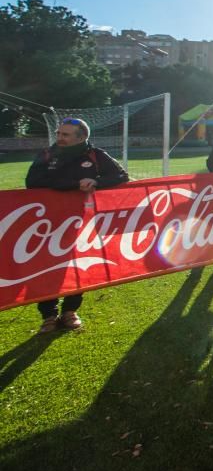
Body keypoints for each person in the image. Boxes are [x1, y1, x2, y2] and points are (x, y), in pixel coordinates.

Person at [25, 118, 129, 333]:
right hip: (47, 222)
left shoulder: (95, 155)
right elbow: (32, 182)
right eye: (59, 133)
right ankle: (49, 315)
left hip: (81, 222)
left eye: (65, 135)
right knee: (48, 267)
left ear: (81, 137)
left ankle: (70, 311)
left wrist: (97, 182)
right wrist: (74, 185)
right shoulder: (47, 154)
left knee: (77, 266)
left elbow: (121, 175)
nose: (59, 138)